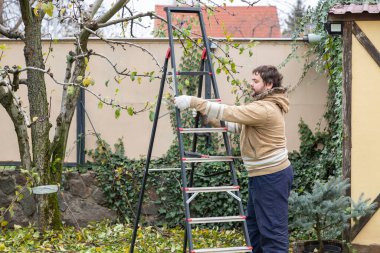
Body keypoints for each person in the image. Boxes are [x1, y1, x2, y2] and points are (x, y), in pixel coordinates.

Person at [174, 65, 294, 253]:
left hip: (272, 176)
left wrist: (194, 101)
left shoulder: (265, 108)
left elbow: (230, 112)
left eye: (256, 81)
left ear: (269, 84)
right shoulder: (261, 107)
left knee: (272, 232)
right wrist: (208, 117)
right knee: (255, 229)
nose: (251, 84)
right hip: (261, 176)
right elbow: (238, 126)